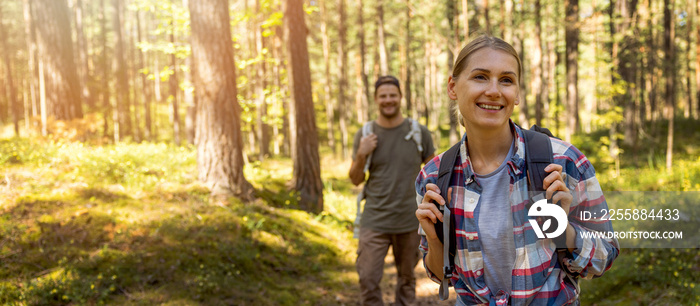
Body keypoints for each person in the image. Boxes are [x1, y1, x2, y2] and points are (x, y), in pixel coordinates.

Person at [414, 35, 619, 305]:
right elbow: (440, 275)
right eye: (480, 77)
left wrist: (562, 230)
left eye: (507, 80)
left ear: (518, 93)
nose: (494, 91)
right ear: (453, 87)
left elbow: (605, 257)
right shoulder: (434, 177)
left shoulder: (565, 161)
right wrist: (435, 237)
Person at [349, 75, 436, 306]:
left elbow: (433, 175)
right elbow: (355, 179)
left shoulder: (419, 133)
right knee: (367, 278)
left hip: (410, 220)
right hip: (374, 219)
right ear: (376, 99)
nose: (388, 100)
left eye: (392, 95)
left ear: (400, 97)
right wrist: (361, 154)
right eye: (383, 96)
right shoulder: (365, 134)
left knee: (407, 280)